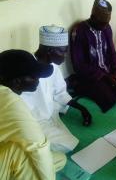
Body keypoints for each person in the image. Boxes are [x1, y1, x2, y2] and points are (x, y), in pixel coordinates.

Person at [21, 25, 91, 154]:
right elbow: (22, 108)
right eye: (62, 51)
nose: (65, 56)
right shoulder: (27, 70)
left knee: (59, 106)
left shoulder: (52, 65)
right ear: (50, 51)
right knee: (67, 144)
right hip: (34, 118)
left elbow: (60, 92)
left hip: (49, 108)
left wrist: (82, 108)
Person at [0, 50, 66, 180]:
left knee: (60, 159)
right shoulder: (9, 101)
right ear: (17, 82)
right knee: (20, 151)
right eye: (33, 76)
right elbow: (38, 146)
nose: (38, 80)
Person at [70, 0, 116, 112]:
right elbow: (79, 65)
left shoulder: (106, 28)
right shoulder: (79, 31)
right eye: (102, 23)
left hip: (109, 71)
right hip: (91, 76)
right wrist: (104, 76)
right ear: (93, 17)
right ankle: (103, 91)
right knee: (108, 99)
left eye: (107, 22)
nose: (105, 26)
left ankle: (107, 90)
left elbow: (112, 52)